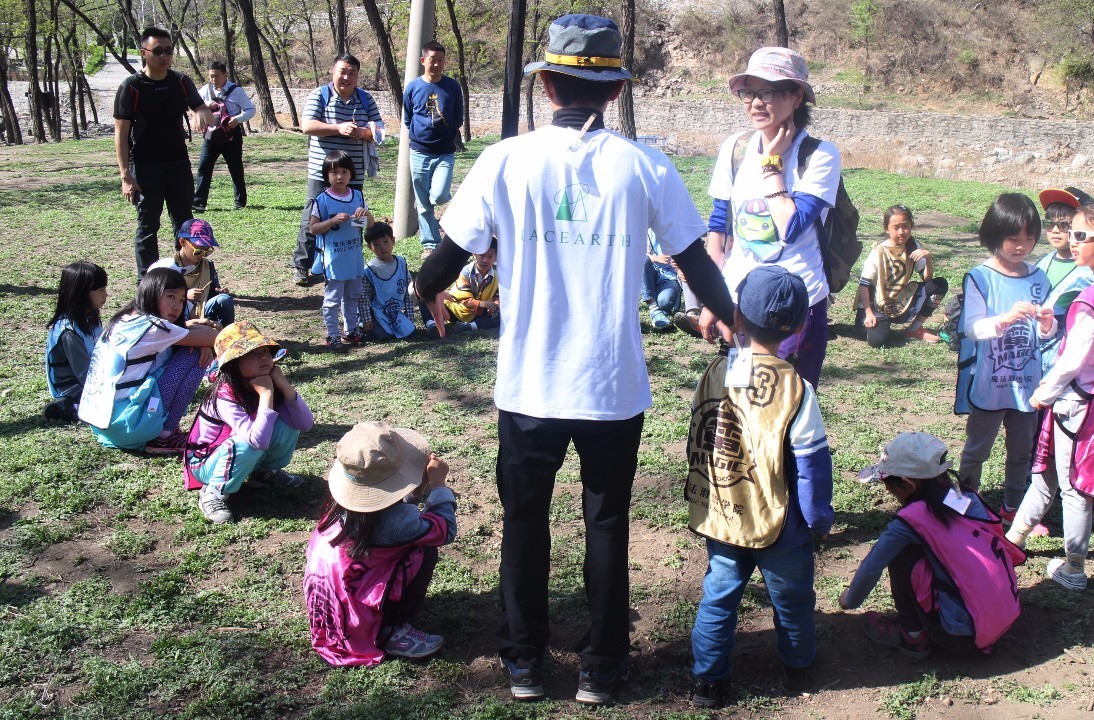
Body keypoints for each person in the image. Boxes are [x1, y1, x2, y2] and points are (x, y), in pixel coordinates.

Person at [412, 13, 734, 705]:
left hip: (528, 387)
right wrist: (733, 319)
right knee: (607, 523)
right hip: (612, 388)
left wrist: (425, 294)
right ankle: (602, 666)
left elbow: (444, 259)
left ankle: (524, 662)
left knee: (525, 524)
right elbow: (694, 262)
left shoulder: (504, 160)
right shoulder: (645, 165)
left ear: (547, 86)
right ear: (614, 91)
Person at [684, 266, 833, 709]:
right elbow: (811, 465)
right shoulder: (798, 390)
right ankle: (798, 667)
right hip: (782, 525)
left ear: (738, 317)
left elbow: (701, 434)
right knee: (792, 600)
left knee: (719, 593)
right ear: (802, 327)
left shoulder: (713, 373)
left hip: (723, 513)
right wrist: (819, 519)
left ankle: (707, 682)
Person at [1008, 197, 1094, 591]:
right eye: (1072, 233)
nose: (1073, 241)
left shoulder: (1092, 297)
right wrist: (1053, 326)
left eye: (1081, 234)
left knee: (1072, 487)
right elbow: (1090, 344)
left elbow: (1075, 359)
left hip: (1075, 403)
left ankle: (1074, 568)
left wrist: (1043, 393)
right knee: (1047, 475)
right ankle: (1014, 539)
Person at [702, 46, 841, 386]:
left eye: (768, 92)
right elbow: (719, 227)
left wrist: (771, 166)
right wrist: (713, 298)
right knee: (738, 404)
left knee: (788, 405)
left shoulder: (820, 155)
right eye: (748, 92)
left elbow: (791, 227)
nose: (755, 103)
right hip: (739, 298)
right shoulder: (735, 147)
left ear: (796, 97)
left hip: (796, 304)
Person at [838, 432, 1025, 659]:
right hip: (1004, 615)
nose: (890, 493)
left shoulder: (910, 520)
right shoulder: (963, 497)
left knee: (901, 552)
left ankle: (913, 635)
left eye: (889, 486)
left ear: (907, 484)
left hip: (960, 637)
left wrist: (850, 600)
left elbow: (873, 565)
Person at [304, 421, 457, 666]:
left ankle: (380, 621)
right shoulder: (398, 522)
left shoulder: (339, 507)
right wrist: (439, 485)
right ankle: (390, 630)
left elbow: (383, 504)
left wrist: (415, 489)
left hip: (333, 609)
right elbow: (443, 530)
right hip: (358, 620)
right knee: (423, 548)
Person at [954, 193, 1055, 523]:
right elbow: (971, 329)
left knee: (1022, 451)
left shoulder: (1039, 277)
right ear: (994, 235)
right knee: (977, 448)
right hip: (990, 384)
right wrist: (1004, 319)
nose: (1022, 246)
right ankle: (967, 501)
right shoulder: (980, 277)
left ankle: (1013, 507)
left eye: (1029, 238)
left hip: (1027, 386)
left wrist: (1046, 325)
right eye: (1013, 238)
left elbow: (1047, 336)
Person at [78, 268, 218, 454]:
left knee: (186, 349)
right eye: (171, 296)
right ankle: (164, 437)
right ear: (152, 292)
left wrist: (193, 330)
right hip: (128, 425)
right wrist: (205, 340)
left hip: (103, 423)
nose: (177, 306)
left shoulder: (126, 319)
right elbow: (215, 337)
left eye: (182, 300)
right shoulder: (154, 327)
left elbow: (184, 332)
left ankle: (159, 431)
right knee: (192, 355)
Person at [184, 322, 313, 523]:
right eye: (252, 353)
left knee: (288, 424)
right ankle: (213, 492)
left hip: (238, 452)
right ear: (233, 363)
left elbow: (304, 424)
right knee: (247, 443)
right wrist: (266, 394)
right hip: (205, 463)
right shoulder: (224, 394)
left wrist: (285, 386)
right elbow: (257, 442)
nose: (263, 357)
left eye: (265, 351)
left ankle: (262, 473)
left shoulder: (265, 380)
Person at [114, 27, 215, 279]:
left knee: (184, 223)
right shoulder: (132, 87)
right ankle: (146, 282)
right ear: (143, 53)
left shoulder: (181, 81)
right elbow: (121, 134)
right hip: (146, 166)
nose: (164, 56)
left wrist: (202, 111)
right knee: (148, 226)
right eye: (158, 51)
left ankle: (184, 276)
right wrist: (126, 175)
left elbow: (201, 107)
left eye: (168, 51)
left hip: (178, 163)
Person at [292, 54, 384, 285]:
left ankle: (349, 262)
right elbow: (307, 126)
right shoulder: (319, 95)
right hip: (322, 172)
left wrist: (362, 133)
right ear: (333, 72)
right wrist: (338, 128)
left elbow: (379, 130)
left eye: (352, 73)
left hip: (353, 172)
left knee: (355, 217)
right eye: (342, 71)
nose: (347, 77)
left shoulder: (365, 99)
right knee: (312, 217)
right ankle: (303, 265)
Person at [856, 205, 948, 348]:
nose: (901, 232)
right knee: (877, 342)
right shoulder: (878, 251)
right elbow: (864, 285)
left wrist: (928, 259)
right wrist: (868, 313)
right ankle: (870, 324)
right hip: (877, 303)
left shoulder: (913, 246)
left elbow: (927, 279)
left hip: (901, 297)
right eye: (896, 227)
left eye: (905, 226)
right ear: (887, 229)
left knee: (939, 285)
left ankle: (914, 329)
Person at [403, 41, 463, 257]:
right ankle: (430, 243)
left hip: (445, 152)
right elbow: (408, 118)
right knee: (423, 202)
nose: (436, 64)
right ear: (423, 61)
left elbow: (458, 117)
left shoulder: (452, 86)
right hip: (419, 151)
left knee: (438, 196)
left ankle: (442, 218)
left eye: (440, 60)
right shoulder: (413, 87)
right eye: (432, 60)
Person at [309, 150, 370, 350]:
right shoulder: (322, 200)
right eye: (334, 172)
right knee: (333, 297)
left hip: (354, 257)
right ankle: (332, 334)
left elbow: (369, 224)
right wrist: (333, 220)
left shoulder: (357, 196)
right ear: (327, 175)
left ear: (351, 174)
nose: (339, 176)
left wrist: (365, 214)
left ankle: (351, 330)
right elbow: (313, 228)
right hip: (334, 259)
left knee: (353, 294)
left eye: (344, 172)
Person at [1036, 188, 1094, 371]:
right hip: (1034, 353)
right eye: (1049, 224)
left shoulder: (1090, 272)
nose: (1055, 231)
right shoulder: (1041, 263)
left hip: (1065, 360)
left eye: (1064, 225)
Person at [44, 262, 109, 422]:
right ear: (81, 293)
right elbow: (84, 374)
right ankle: (69, 408)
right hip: (73, 389)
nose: (106, 295)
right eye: (100, 290)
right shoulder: (68, 332)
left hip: (93, 380)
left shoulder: (91, 318)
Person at [192, 60, 257, 212]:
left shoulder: (237, 91)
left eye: (216, 76)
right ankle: (199, 202)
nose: (213, 80)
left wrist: (238, 119)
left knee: (235, 167)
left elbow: (250, 110)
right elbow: (193, 106)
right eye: (210, 76)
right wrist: (205, 104)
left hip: (231, 135)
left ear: (225, 75)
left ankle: (240, 202)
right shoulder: (205, 90)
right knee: (204, 167)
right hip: (211, 134)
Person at [147, 218, 235, 327]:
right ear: (182, 242)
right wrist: (183, 297)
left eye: (207, 251)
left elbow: (211, 293)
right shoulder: (165, 268)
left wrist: (219, 292)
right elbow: (152, 299)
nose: (203, 255)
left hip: (200, 313)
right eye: (198, 250)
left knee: (224, 300)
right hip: (172, 316)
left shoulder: (208, 266)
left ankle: (225, 339)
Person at [357, 221, 418, 341]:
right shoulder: (369, 270)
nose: (383, 247)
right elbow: (363, 297)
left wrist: (409, 316)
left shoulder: (401, 263)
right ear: (370, 247)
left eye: (386, 242)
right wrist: (366, 318)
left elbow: (409, 292)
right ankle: (362, 330)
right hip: (375, 313)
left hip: (394, 312)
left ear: (393, 240)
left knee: (411, 332)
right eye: (376, 244)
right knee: (384, 336)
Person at [441, 239, 498, 331]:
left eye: (490, 257)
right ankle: (433, 325)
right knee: (430, 299)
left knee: (502, 316)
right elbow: (463, 299)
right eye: (481, 255)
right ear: (474, 254)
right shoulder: (465, 272)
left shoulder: (497, 276)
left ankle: (469, 326)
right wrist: (481, 303)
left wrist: (494, 306)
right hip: (458, 309)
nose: (485, 260)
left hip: (480, 311)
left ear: (495, 258)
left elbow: (498, 296)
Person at [640, 232, 680, 332]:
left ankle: (660, 308)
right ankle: (653, 307)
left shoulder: (677, 230)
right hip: (651, 271)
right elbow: (639, 254)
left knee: (664, 302)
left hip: (670, 276)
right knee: (642, 260)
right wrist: (656, 258)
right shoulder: (648, 231)